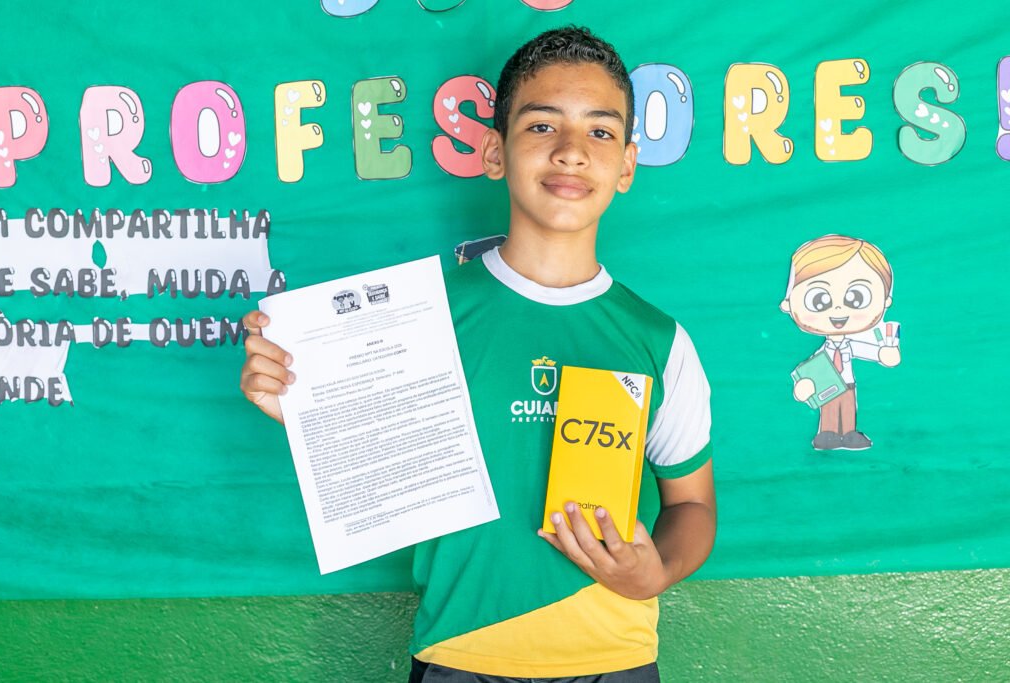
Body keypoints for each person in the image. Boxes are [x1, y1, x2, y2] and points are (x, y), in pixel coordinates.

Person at [240, 26, 715, 682]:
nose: (572, 152)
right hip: (461, 657)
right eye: (542, 126)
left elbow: (693, 508)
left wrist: (653, 570)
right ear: (495, 152)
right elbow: (390, 456)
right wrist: (305, 405)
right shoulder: (418, 314)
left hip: (619, 660)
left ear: (628, 165)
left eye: (601, 132)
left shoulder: (658, 340)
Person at [780, 234, 901, 450]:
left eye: (856, 297)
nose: (838, 310)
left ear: (885, 300)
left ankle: (849, 432)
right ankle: (827, 432)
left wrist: (883, 354)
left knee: (847, 406)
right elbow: (813, 364)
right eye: (819, 299)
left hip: (847, 383)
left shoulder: (850, 345)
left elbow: (864, 350)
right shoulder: (824, 352)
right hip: (828, 384)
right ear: (788, 304)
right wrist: (805, 383)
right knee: (829, 408)